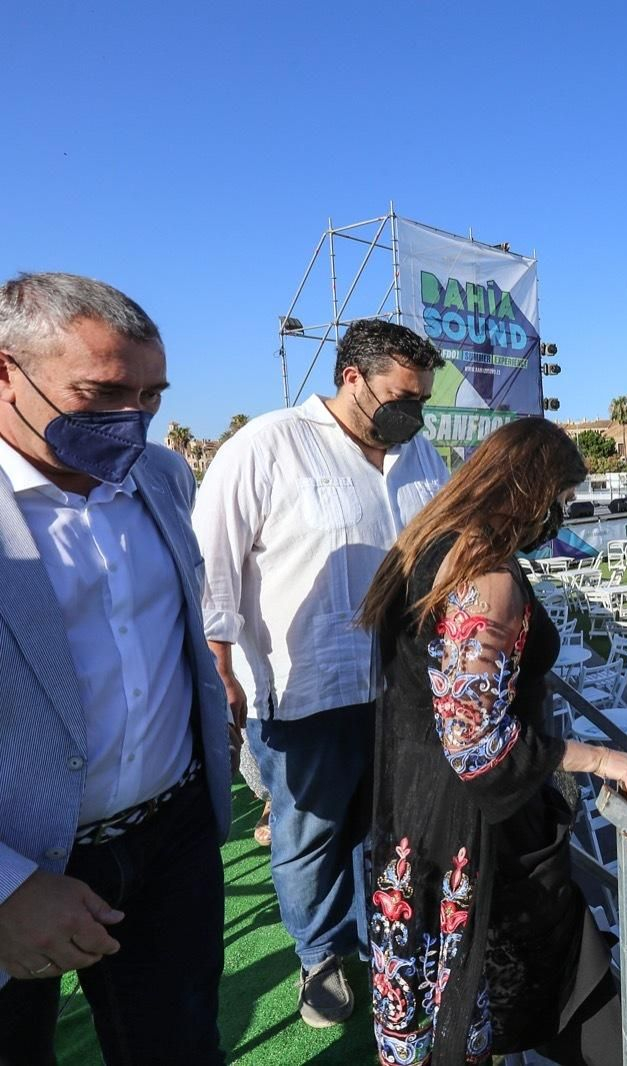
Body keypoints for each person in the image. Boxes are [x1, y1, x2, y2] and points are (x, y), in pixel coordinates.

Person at [359, 417, 627, 1065]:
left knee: (472, 1022)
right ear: (530, 490)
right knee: (574, 1009)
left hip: (416, 819)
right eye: (562, 499)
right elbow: (476, 742)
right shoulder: (484, 575)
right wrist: (600, 758)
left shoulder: (426, 544)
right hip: (476, 836)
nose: (563, 515)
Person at [0, 272, 234, 1064]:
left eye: (152, 397)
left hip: (170, 839)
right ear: (6, 373)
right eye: (102, 393)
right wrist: (5, 885)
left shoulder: (163, 478)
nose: (132, 420)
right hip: (19, 864)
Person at [193, 318, 451, 1026]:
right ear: (351, 378)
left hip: (404, 689)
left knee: (390, 825)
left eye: (423, 399)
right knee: (310, 834)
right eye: (404, 397)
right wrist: (217, 663)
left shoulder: (422, 454)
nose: (415, 413)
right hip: (303, 689)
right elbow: (212, 563)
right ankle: (321, 956)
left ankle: (379, 938)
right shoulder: (267, 445)